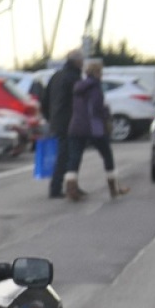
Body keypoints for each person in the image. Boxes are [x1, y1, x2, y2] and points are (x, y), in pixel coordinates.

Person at [63, 59, 129, 201]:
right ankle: (114, 188)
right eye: (101, 72)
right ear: (97, 72)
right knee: (107, 155)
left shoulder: (79, 86)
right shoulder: (95, 87)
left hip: (76, 126)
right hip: (94, 127)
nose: (102, 74)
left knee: (74, 157)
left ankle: (71, 189)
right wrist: (106, 115)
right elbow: (96, 108)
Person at [41, 48, 84, 199]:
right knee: (68, 156)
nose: (83, 63)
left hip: (57, 121)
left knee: (63, 154)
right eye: (82, 60)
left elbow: (45, 100)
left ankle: (66, 186)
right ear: (77, 61)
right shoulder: (74, 78)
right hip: (70, 121)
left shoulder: (56, 76)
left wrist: (50, 118)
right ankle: (59, 188)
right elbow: (80, 102)